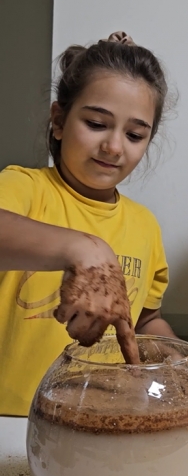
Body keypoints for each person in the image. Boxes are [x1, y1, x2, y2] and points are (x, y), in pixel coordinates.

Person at [0, 31, 177, 416]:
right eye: (97, 123)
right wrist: (84, 248)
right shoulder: (23, 189)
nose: (114, 146)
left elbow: (147, 317)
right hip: (11, 421)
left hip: (103, 421)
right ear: (59, 121)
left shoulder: (144, 225)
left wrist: (177, 361)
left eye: (134, 135)